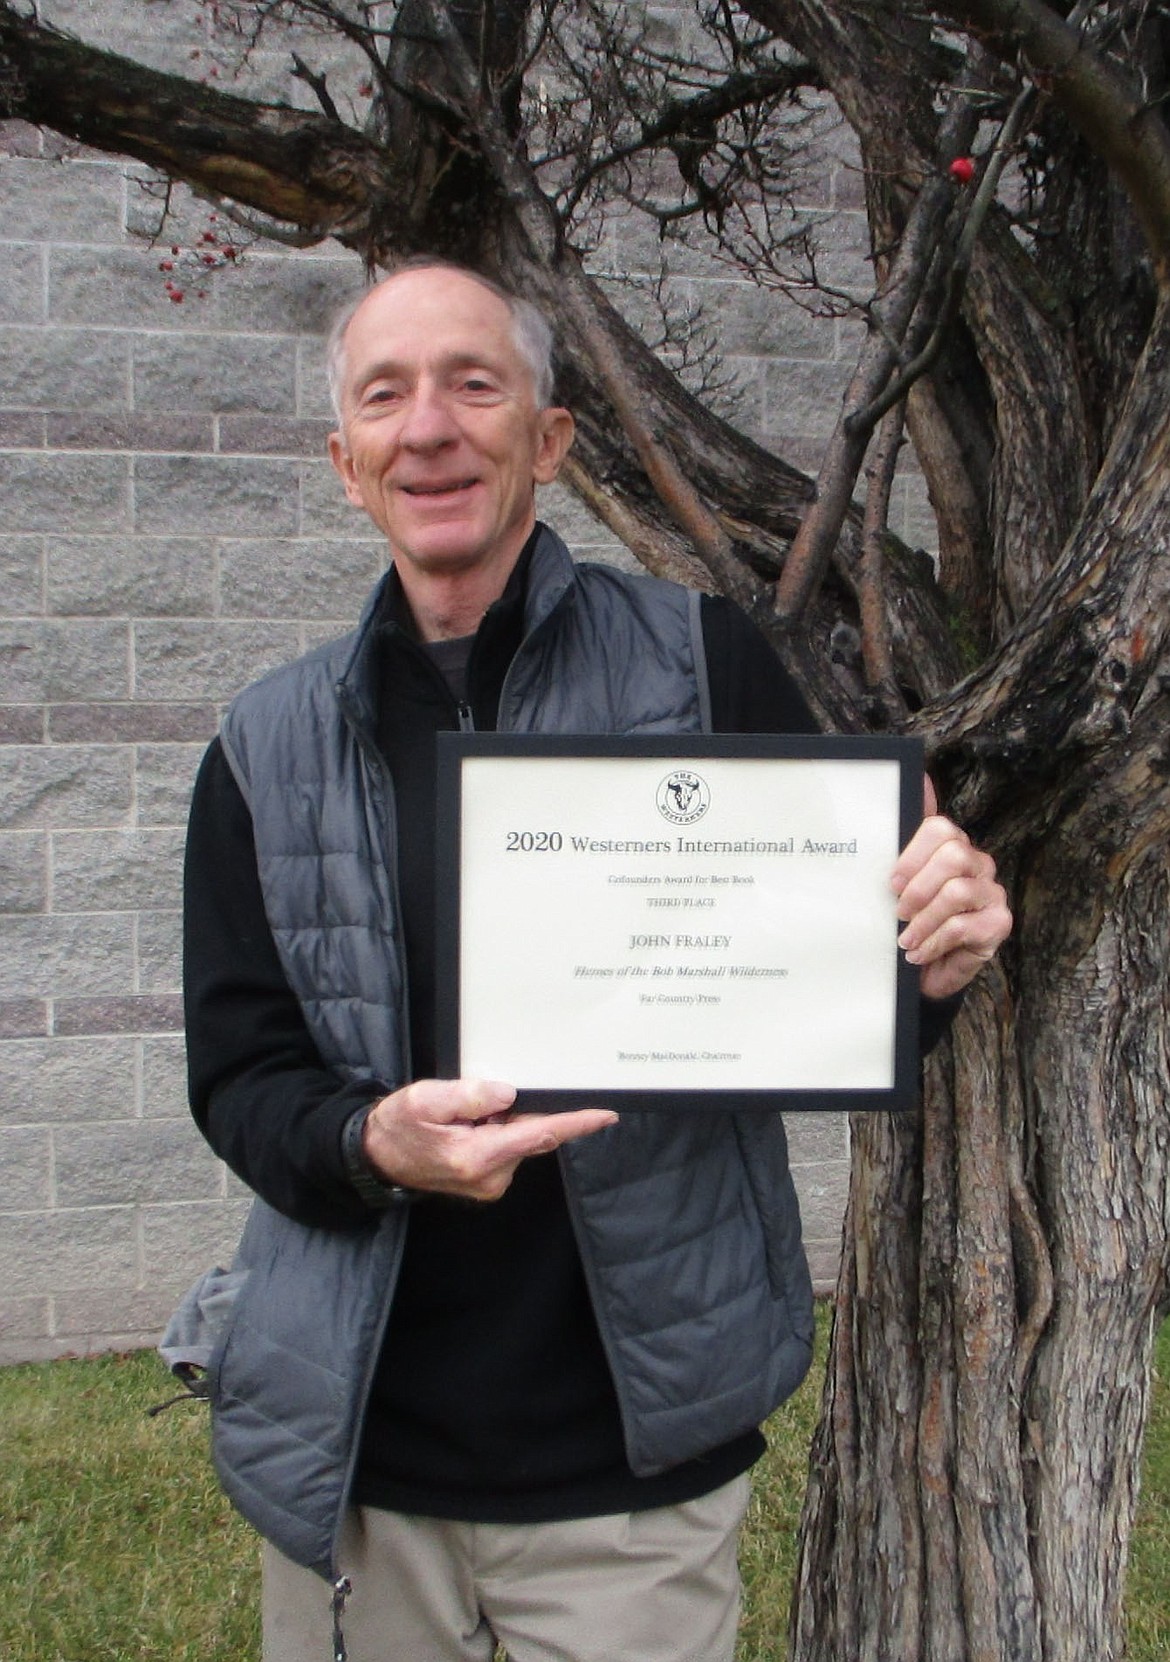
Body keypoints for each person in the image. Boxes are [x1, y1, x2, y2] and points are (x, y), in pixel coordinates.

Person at [179, 259, 1012, 1662]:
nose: (428, 427)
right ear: (344, 462)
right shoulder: (259, 749)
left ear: (549, 440)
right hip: (362, 1466)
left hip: (632, 1473)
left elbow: (830, 990)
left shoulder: (701, 664)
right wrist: (370, 1139)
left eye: (474, 383)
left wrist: (932, 949)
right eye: (385, 396)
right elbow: (241, 1077)